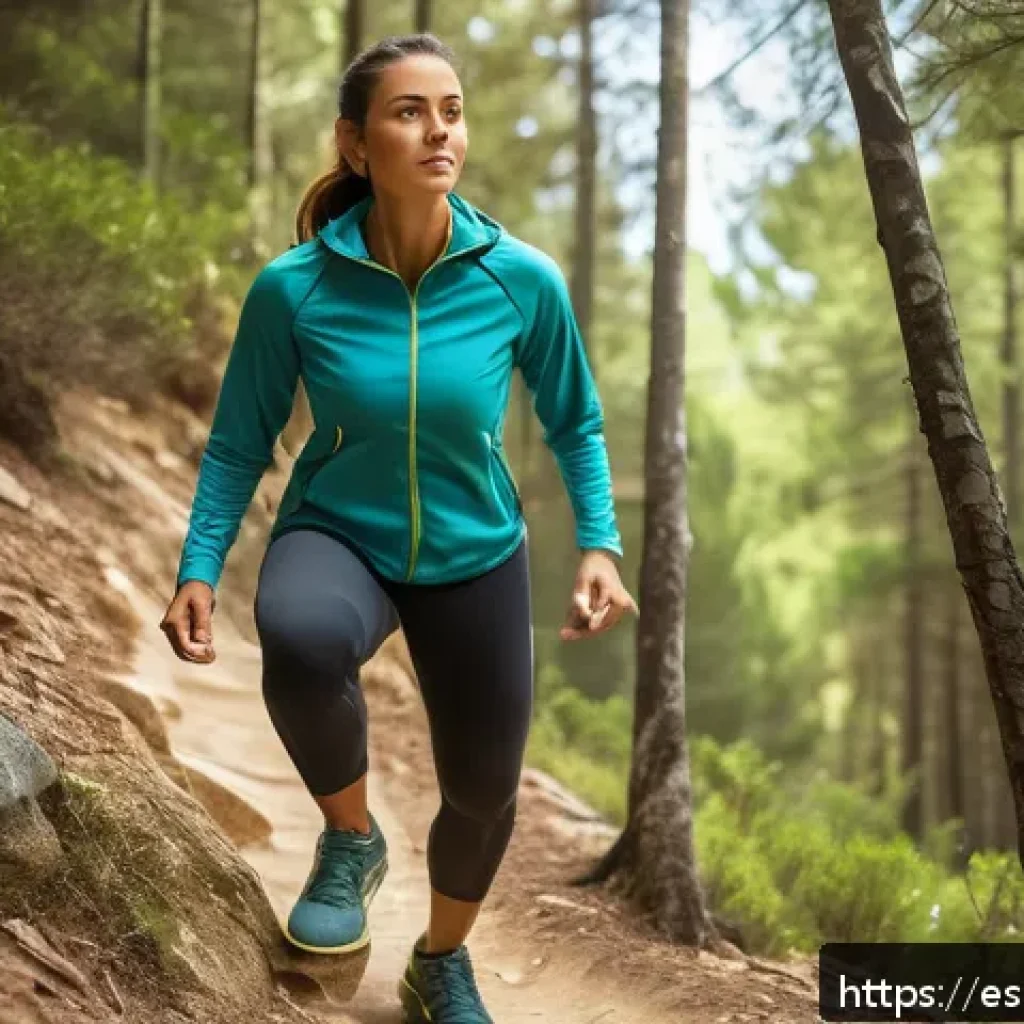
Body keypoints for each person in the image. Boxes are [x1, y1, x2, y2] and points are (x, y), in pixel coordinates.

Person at [159, 32, 637, 1024]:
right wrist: (198, 562)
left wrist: (599, 541)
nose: (438, 130)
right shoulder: (294, 288)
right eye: (410, 111)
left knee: (482, 792)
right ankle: (350, 839)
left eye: (451, 110)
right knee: (296, 634)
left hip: (476, 552)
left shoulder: (521, 280)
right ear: (355, 141)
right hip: (341, 530)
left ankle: (440, 961)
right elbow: (240, 439)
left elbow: (573, 418)